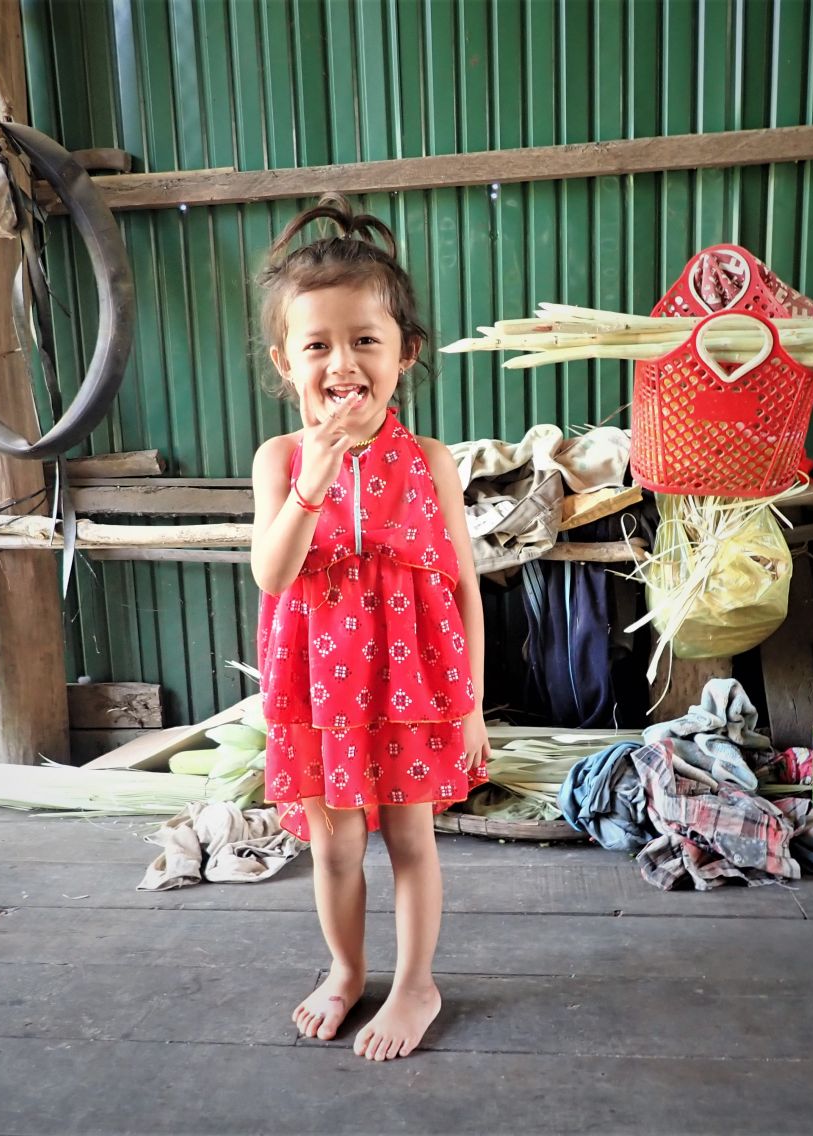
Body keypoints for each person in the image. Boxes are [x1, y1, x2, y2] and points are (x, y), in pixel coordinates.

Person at [250, 193, 490, 1062]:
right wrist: (316, 471)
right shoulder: (280, 460)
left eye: (365, 341)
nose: (341, 363)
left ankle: (417, 984)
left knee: (410, 838)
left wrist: (469, 707)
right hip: (316, 695)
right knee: (337, 844)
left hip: (412, 688)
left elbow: (462, 587)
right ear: (286, 361)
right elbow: (273, 574)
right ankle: (347, 972)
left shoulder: (429, 464)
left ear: (403, 355)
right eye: (317, 345)